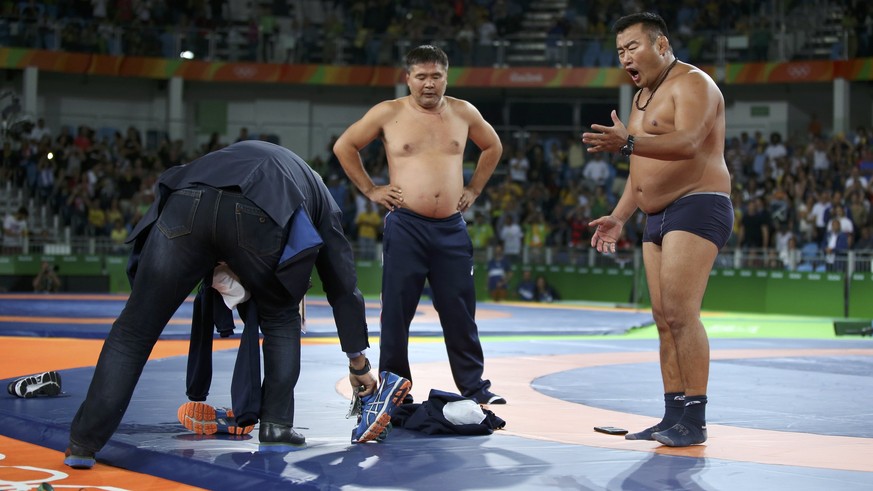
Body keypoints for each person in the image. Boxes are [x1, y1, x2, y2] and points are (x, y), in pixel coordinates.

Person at [63, 140, 380, 469]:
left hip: (185, 203)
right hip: (259, 213)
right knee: (281, 317)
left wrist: (145, 296)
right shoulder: (318, 195)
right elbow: (342, 283)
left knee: (133, 330)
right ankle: (276, 426)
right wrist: (358, 361)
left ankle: (82, 443)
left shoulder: (238, 157)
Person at [582, 12, 733, 447]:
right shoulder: (644, 96)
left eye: (632, 47)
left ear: (661, 45)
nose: (625, 57)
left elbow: (687, 142)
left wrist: (627, 142)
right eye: (620, 52)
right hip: (656, 215)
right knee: (663, 319)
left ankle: (696, 418)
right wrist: (621, 215)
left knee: (683, 315)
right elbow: (641, 168)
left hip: (698, 204)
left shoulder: (693, 84)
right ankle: (672, 415)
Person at [333, 45, 506, 405]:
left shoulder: (463, 112)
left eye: (436, 76)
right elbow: (345, 146)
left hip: (451, 228)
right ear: (407, 78)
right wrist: (370, 189)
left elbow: (493, 147)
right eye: (422, 77)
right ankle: (396, 391)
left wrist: (474, 187)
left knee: (460, 311)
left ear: (447, 76)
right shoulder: (387, 113)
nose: (429, 84)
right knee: (396, 311)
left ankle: (475, 389)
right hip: (406, 225)